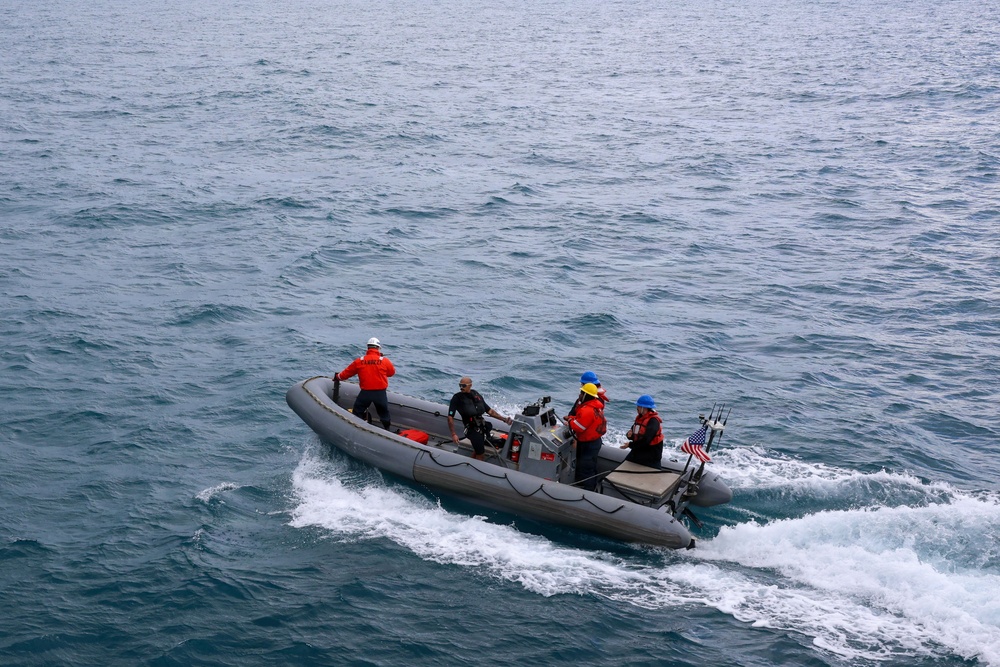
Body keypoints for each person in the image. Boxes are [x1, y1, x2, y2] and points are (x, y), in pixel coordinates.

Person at [336, 337, 396, 430]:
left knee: (357, 411)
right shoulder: (384, 361)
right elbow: (391, 373)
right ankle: (387, 430)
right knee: (384, 413)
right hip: (380, 393)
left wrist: (337, 377)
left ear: (368, 348)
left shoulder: (360, 361)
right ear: (378, 348)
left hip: (366, 393)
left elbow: (347, 373)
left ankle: (356, 429)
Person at [448, 377, 512, 460]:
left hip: (482, 427)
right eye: (460, 385)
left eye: (463, 385)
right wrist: (453, 434)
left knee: (478, 449)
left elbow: (490, 411)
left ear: (470, 385)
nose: (461, 387)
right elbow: (450, 417)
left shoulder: (475, 394)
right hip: (471, 429)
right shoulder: (457, 398)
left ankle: (470, 464)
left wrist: (504, 419)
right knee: (481, 453)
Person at [564, 382, 607, 491]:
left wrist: (569, 420)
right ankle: (592, 487)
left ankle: (588, 491)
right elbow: (583, 421)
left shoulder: (587, 410)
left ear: (586, 395)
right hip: (595, 442)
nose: (579, 395)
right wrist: (573, 418)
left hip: (588, 444)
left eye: (582, 393)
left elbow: (579, 427)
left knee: (586, 468)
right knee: (591, 466)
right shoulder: (595, 406)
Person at [620, 394, 664, 468]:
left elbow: (646, 440)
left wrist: (630, 445)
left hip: (651, 455)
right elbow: (633, 431)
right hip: (638, 451)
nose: (637, 408)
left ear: (644, 408)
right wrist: (629, 435)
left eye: (639, 406)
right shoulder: (640, 418)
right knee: (623, 466)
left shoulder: (653, 422)